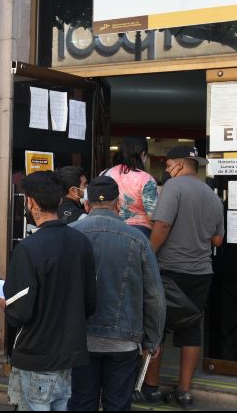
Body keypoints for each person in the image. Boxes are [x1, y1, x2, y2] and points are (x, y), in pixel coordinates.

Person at [67, 176, 165, 411]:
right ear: (118, 204)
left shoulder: (69, 234)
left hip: (79, 339)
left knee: (81, 402)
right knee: (118, 403)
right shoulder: (137, 239)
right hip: (124, 340)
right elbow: (154, 296)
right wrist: (153, 339)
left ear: (87, 204)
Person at [138, 146, 224, 409]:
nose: (166, 170)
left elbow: (162, 224)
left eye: (167, 165)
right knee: (190, 330)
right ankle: (184, 391)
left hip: (170, 270)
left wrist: (149, 254)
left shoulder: (174, 188)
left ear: (177, 164)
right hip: (201, 272)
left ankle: (151, 388)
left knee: (157, 328)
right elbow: (217, 240)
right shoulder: (212, 195)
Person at [4, 171, 97, 411]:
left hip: (36, 355)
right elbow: (90, 302)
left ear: (31, 202)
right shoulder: (81, 243)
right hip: (68, 354)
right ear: (59, 202)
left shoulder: (28, 248)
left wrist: (5, 304)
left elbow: (19, 312)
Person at [104, 136, 158, 238]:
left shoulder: (107, 173)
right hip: (140, 231)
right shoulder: (146, 179)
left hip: (110, 228)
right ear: (143, 154)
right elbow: (152, 216)